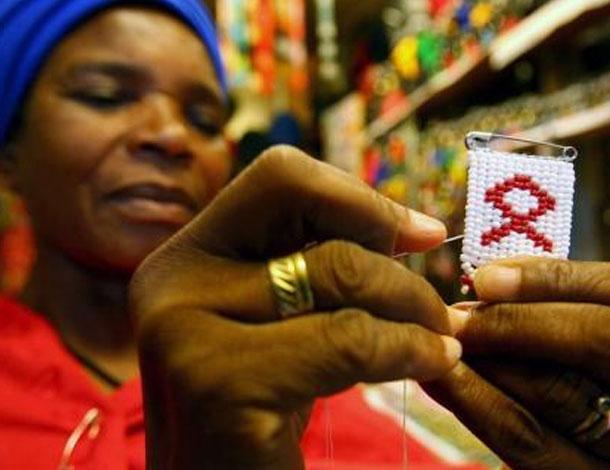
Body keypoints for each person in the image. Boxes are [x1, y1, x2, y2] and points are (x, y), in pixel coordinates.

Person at [0, 1, 464, 468]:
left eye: (204, 119)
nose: (171, 135)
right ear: (9, 151)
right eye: (106, 96)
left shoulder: (303, 384)